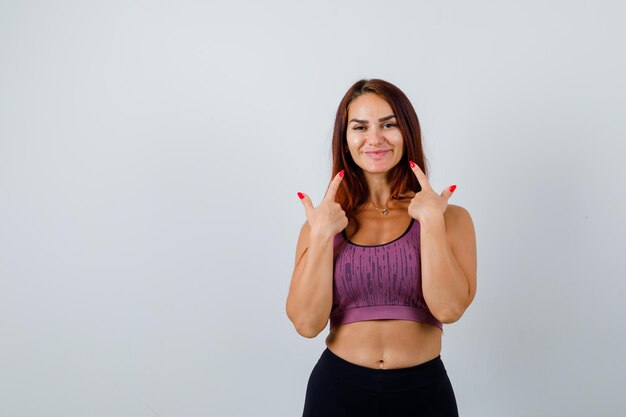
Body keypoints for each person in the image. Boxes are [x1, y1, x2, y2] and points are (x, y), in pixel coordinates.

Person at [286, 79, 477, 417]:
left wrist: (431, 223)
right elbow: (306, 324)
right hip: (336, 391)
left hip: (423, 393)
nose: (375, 139)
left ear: (407, 131)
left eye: (389, 124)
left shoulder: (451, 218)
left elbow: (448, 310)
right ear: (345, 140)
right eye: (360, 127)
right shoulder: (322, 223)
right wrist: (320, 235)